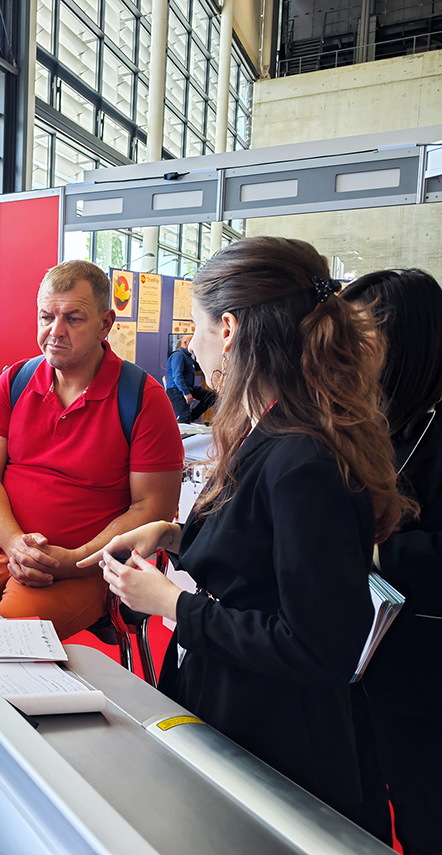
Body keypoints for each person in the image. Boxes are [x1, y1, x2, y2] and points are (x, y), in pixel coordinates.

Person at [83, 236, 412, 832]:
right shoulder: (274, 429)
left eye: (197, 328)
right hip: (236, 699)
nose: (191, 345)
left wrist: (172, 604)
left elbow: (318, 646)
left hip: (277, 735)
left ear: (230, 330)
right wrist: (173, 535)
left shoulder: (302, 459)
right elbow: (261, 553)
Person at [0, 260, 183, 638]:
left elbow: (153, 508)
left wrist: (76, 560)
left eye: (73, 319)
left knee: (4, 646)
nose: (55, 331)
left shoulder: (142, 399)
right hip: (3, 550)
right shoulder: (15, 382)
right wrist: (14, 544)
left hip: (88, 567)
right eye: (46, 317)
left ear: (105, 324)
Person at [341, 268, 442, 852]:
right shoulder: (369, 420)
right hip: (362, 654)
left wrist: (370, 547)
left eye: (359, 338)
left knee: (424, 805)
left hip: (423, 664)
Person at [164, 334, 216, 423]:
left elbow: (199, 367)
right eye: (193, 343)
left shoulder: (188, 357)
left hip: (188, 387)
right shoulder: (178, 355)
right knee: (184, 418)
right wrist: (186, 393)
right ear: (185, 343)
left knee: (211, 397)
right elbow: (177, 376)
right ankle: (186, 420)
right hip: (176, 389)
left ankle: (191, 417)